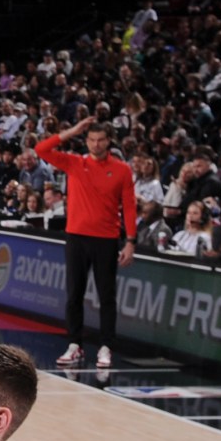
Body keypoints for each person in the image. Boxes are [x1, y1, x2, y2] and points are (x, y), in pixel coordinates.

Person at [36, 117, 135, 370]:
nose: (96, 144)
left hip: (107, 240)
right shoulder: (74, 163)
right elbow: (41, 149)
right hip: (76, 237)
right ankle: (74, 344)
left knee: (107, 296)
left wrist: (131, 241)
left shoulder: (122, 169)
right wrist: (72, 130)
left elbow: (130, 207)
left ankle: (106, 347)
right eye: (91, 139)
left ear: (109, 141)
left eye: (101, 140)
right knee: (74, 294)